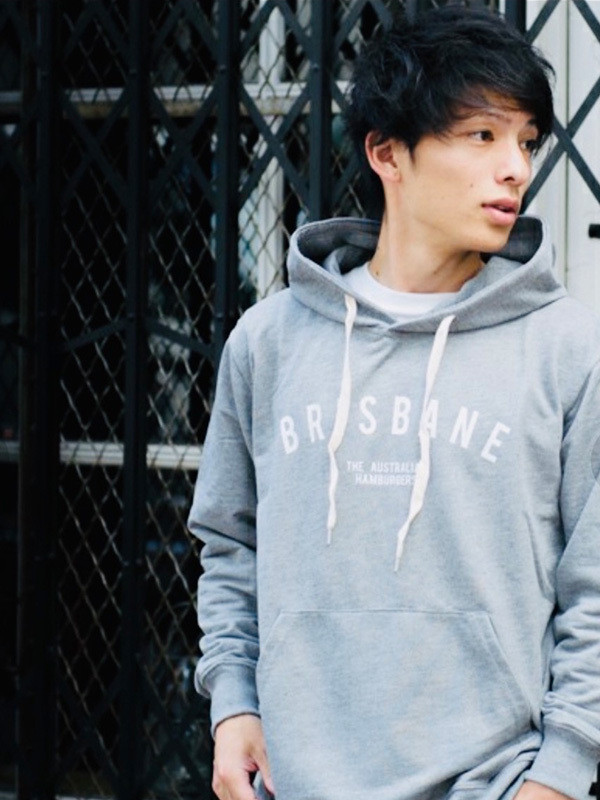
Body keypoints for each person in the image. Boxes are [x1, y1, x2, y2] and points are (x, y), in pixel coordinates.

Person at [188, 5, 600, 800]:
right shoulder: (270, 342)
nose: (514, 168)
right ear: (387, 153)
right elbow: (230, 545)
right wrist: (233, 706)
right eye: (481, 135)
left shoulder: (568, 349)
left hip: (495, 782)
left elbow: (595, 585)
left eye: (525, 141)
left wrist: (559, 775)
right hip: (295, 781)